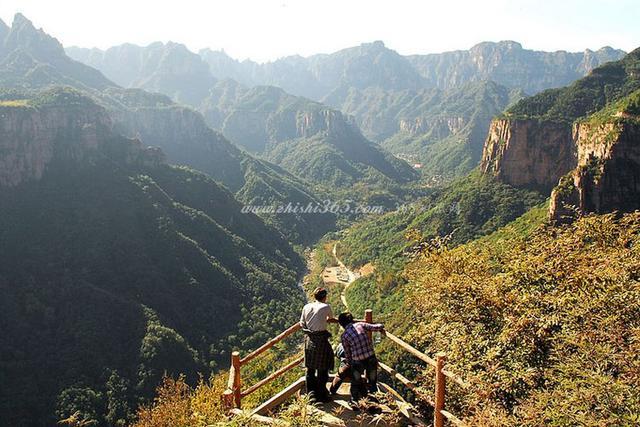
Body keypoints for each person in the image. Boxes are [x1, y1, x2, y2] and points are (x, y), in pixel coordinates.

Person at [300, 287, 337, 402]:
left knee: (310, 368)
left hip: (309, 339)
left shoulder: (306, 306)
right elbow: (330, 318)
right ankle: (322, 393)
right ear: (324, 297)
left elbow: (302, 323)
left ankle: (311, 394)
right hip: (321, 340)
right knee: (323, 367)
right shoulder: (326, 307)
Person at [338, 312, 385, 402]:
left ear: (341, 324)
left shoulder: (344, 336)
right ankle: (373, 399)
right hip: (371, 357)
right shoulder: (361, 325)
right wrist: (382, 325)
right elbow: (375, 327)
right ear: (352, 320)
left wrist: (349, 364)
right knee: (372, 380)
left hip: (357, 361)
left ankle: (354, 400)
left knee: (355, 381)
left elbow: (347, 353)